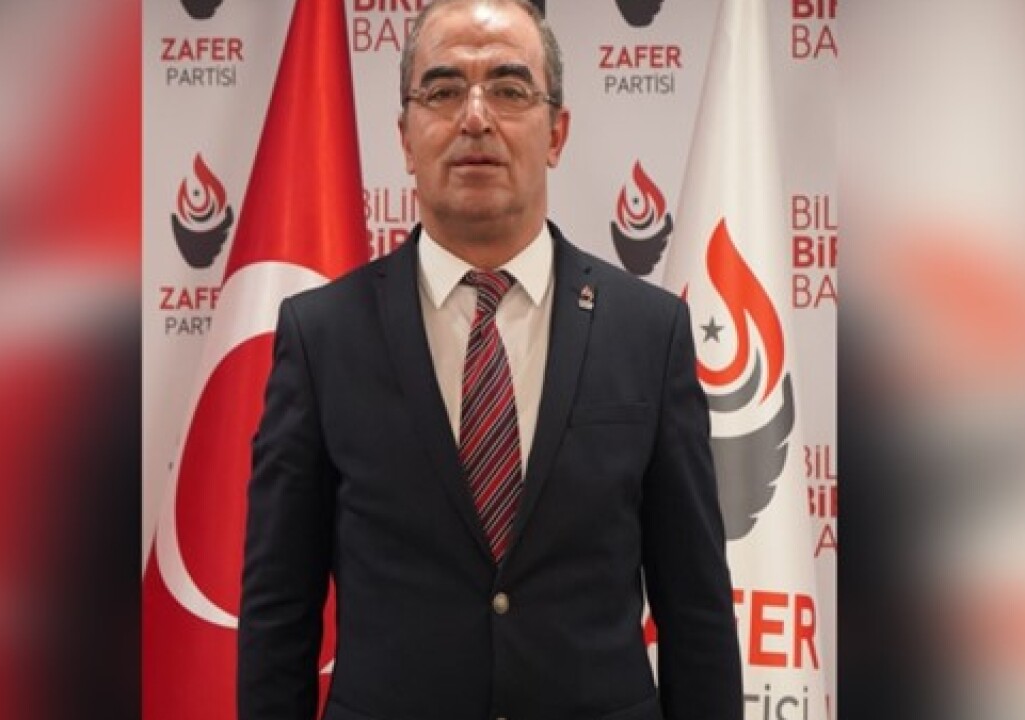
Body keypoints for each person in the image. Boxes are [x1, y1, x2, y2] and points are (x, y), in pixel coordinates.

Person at [238, 1, 742, 718]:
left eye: (508, 89)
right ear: (405, 138)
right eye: (443, 91)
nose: (475, 118)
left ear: (557, 132)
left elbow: (696, 611)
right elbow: (277, 613)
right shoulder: (321, 336)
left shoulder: (649, 331)